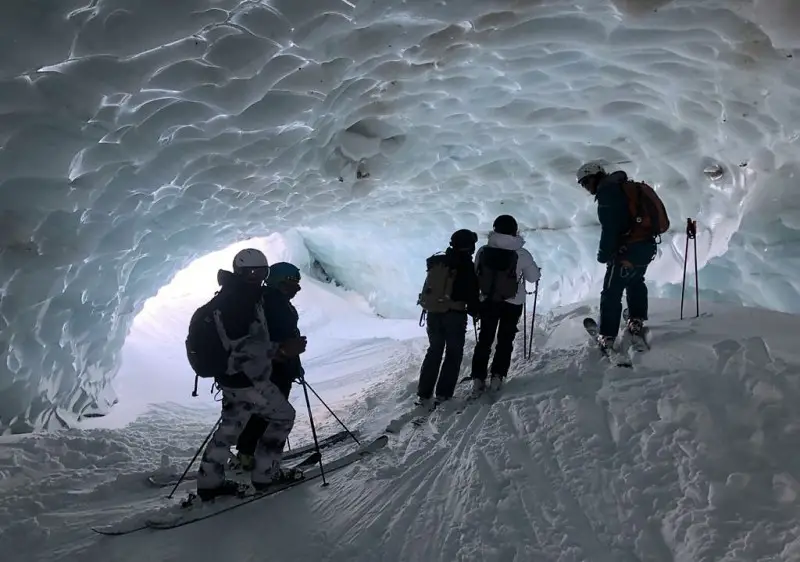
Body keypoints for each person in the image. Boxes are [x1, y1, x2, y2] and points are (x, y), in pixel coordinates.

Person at [195, 249, 307, 501]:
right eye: (251, 272)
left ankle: (209, 483)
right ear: (240, 272)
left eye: (262, 272)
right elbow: (241, 346)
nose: (256, 277)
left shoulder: (232, 296)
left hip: (230, 378)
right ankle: (265, 473)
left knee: (228, 429)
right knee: (283, 416)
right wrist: (281, 350)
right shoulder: (239, 302)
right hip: (247, 378)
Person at [576, 162, 659, 349]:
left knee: (611, 293)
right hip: (645, 247)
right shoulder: (624, 187)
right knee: (636, 282)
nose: (586, 187)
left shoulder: (607, 194)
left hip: (625, 251)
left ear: (594, 177)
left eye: (585, 182)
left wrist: (603, 254)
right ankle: (636, 319)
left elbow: (610, 229)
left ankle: (607, 335)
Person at [235, 262, 305, 471]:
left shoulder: (263, 300)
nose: (297, 287)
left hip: (260, 368)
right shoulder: (275, 303)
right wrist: (291, 362)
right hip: (275, 369)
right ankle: (264, 463)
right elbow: (283, 338)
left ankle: (246, 454)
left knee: (259, 413)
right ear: (280, 282)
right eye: (292, 282)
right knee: (275, 415)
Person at [470, 215, 540, 396]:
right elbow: (533, 278)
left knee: (485, 339)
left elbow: (476, 273)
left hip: (488, 300)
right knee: (505, 339)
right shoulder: (521, 254)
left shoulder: (483, 251)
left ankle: (478, 378)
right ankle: (497, 376)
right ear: (514, 231)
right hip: (513, 302)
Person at [416, 229, 480, 407]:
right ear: (470, 246)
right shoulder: (466, 265)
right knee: (453, 353)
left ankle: (424, 393)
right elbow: (471, 294)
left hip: (433, 313)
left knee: (434, 350)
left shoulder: (438, 261)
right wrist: (476, 312)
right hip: (454, 315)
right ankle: (443, 394)